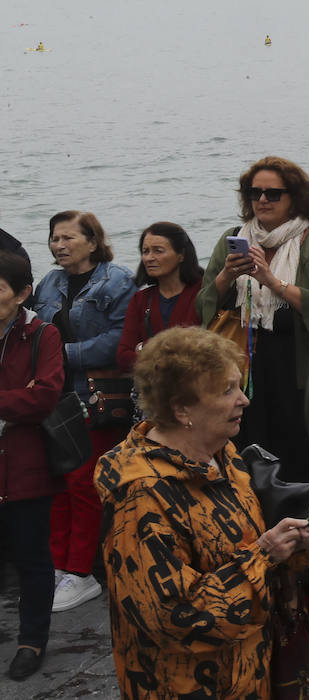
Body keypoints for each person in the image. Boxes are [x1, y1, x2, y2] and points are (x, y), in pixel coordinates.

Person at [95, 326, 309, 699]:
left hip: (248, 673)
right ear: (181, 408)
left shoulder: (224, 456)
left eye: (239, 385)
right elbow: (173, 617)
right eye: (226, 391)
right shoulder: (141, 496)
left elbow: (250, 552)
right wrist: (265, 554)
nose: (244, 400)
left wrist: (297, 545)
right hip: (185, 685)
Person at [197, 155, 309, 485]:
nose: (262, 200)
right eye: (254, 192)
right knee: (245, 446)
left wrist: (271, 280)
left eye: (273, 193)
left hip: (295, 360)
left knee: (295, 449)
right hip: (243, 357)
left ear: (295, 198)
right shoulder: (233, 238)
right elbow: (204, 304)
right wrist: (225, 275)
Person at [32, 209, 135, 613]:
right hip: (55, 396)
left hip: (96, 396)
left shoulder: (118, 279)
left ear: (93, 241)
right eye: (55, 238)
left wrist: (60, 356)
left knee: (83, 483)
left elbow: (118, 339)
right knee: (56, 481)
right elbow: (35, 329)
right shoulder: (50, 282)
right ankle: (59, 566)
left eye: (68, 238)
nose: (59, 246)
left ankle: (82, 572)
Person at [0, 251, 65, 680]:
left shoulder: (42, 334)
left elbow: (44, 396)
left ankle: (32, 640)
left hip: (27, 466)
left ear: (23, 292)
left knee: (33, 560)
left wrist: (24, 399)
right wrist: (14, 399)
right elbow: (25, 397)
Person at [115, 221, 206, 372]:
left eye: (158, 251)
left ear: (181, 255)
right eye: (145, 251)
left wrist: (144, 348)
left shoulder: (202, 292)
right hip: (155, 391)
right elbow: (123, 357)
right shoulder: (140, 300)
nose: (149, 258)